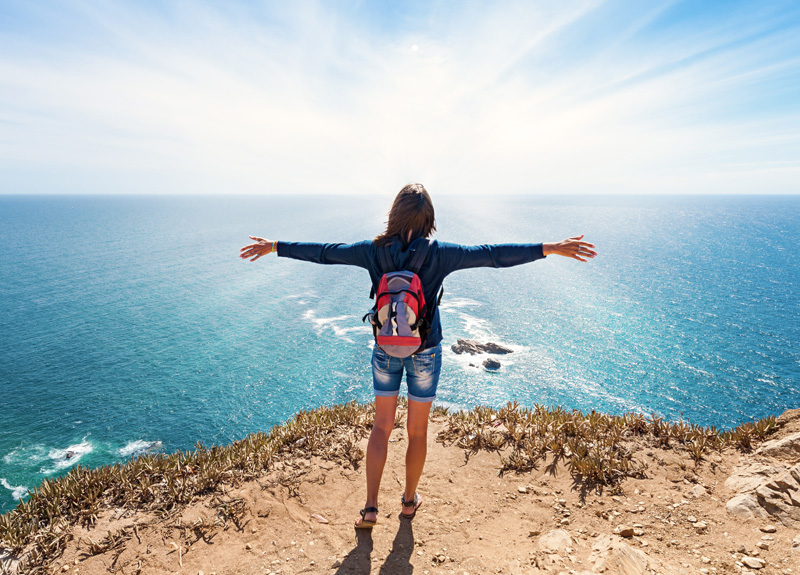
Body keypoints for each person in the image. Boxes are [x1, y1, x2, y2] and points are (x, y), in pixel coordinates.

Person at [240, 183, 596, 529]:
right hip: (425, 350)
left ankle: (370, 509)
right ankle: (409, 502)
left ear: (394, 213)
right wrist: (548, 247)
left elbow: (324, 252)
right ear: (430, 218)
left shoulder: (372, 250)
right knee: (417, 431)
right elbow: (492, 254)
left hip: (385, 349)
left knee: (381, 427)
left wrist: (274, 246)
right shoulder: (440, 253)